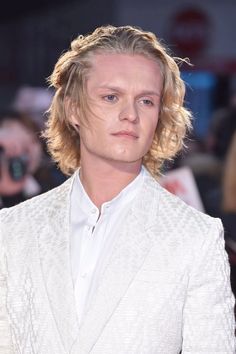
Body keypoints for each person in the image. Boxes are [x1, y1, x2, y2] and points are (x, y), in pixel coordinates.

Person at [0, 25, 235, 354]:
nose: (130, 115)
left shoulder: (195, 237)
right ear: (73, 108)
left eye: (146, 101)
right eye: (111, 97)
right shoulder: (13, 229)